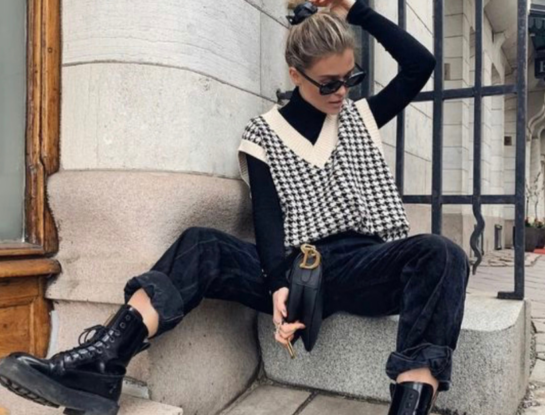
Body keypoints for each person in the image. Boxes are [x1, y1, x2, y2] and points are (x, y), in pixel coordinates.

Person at [0, 1, 470, 414]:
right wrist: (280, 285)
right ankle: (102, 363)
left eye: (351, 79)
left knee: (442, 253)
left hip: (366, 265)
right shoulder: (263, 133)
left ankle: (410, 405)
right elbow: (267, 217)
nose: (341, 92)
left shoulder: (360, 117)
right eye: (329, 84)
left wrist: (353, 10)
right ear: (296, 75)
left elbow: (420, 63)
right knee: (201, 244)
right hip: (297, 268)